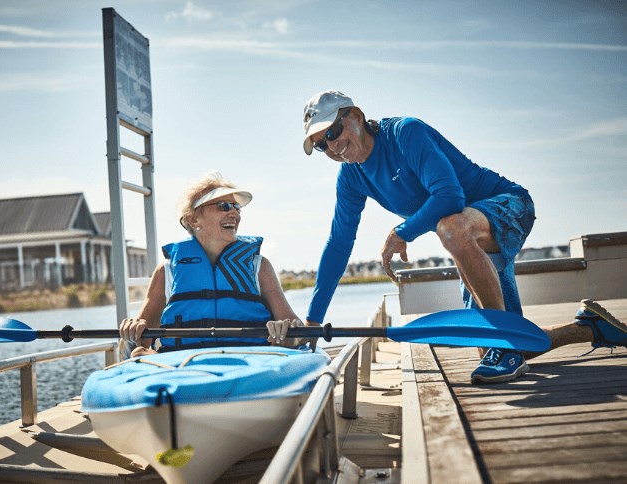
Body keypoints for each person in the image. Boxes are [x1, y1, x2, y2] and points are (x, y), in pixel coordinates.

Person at [300, 90, 627, 384]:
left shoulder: (404, 133)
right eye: (320, 143)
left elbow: (449, 196)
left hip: (508, 206)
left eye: (332, 131)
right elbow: (339, 244)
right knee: (504, 347)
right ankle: (589, 327)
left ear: (355, 116)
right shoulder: (351, 177)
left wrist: (401, 232)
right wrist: (313, 320)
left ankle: (504, 341)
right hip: (467, 239)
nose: (331, 146)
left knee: (450, 227)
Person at [119, 172, 310, 359]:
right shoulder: (166, 271)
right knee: (138, 353)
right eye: (223, 206)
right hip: (181, 366)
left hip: (250, 364)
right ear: (194, 219)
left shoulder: (259, 267)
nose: (234, 212)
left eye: (237, 207)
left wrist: (287, 334)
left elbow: (298, 332)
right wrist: (134, 327)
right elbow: (141, 338)